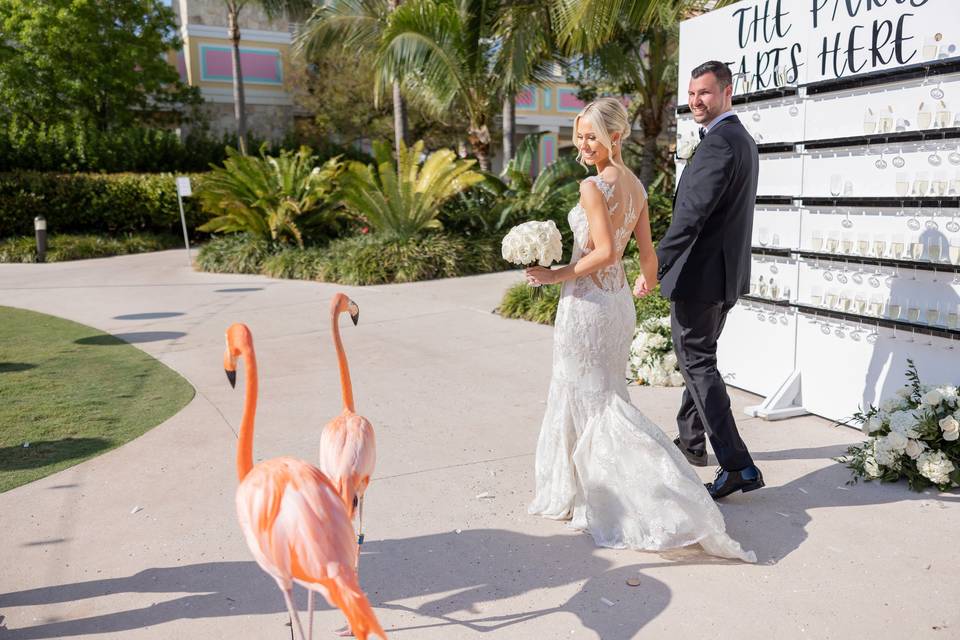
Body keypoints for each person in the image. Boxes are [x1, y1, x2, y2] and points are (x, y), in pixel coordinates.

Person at [525, 97, 755, 561]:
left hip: (588, 305)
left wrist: (556, 275)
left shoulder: (593, 187)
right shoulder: (637, 186)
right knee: (604, 394)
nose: (585, 145)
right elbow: (645, 252)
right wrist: (648, 279)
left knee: (582, 393)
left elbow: (606, 252)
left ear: (616, 136)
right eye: (581, 135)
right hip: (617, 306)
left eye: (593, 135)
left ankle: (604, 490)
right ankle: (599, 481)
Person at [634, 60, 764, 500]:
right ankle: (691, 441)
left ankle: (738, 465)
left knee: (697, 363)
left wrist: (654, 265)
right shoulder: (739, 139)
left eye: (704, 93)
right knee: (698, 359)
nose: (695, 102)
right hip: (722, 276)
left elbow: (691, 217)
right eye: (691, 94)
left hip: (700, 277)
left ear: (727, 92)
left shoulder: (720, 145)